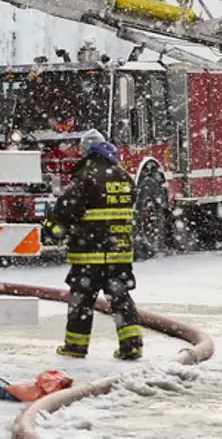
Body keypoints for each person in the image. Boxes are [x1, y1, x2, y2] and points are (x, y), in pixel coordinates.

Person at [47, 129, 143, 361]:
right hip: (119, 252)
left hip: (89, 254)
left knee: (81, 301)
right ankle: (131, 346)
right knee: (121, 299)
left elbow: (65, 211)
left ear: (85, 151)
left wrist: (52, 227)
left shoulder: (86, 177)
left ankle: (75, 346)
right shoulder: (123, 176)